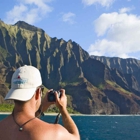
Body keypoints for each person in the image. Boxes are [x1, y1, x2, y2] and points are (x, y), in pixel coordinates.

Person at [0, 65, 80, 140]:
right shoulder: (53, 132)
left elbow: (25, 124)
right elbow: (75, 137)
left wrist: (41, 109)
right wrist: (63, 109)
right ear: (38, 92)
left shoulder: (2, 127)